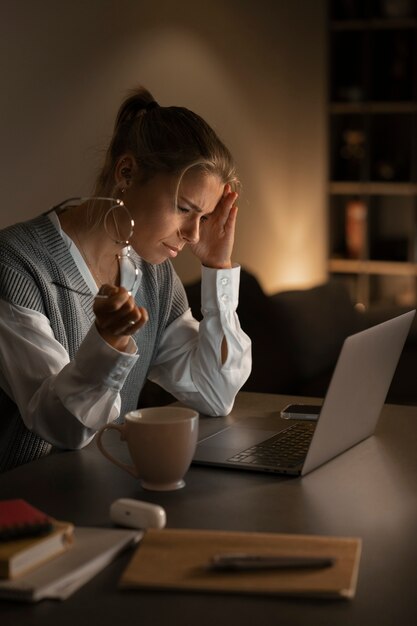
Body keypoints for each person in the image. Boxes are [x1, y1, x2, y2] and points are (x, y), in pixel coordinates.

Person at [0, 86, 251, 472]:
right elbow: (61, 427)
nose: (194, 235)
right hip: (26, 510)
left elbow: (214, 394)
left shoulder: (153, 275)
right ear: (127, 172)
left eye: (203, 217)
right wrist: (108, 341)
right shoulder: (18, 264)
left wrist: (219, 270)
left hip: (106, 493)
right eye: (185, 209)